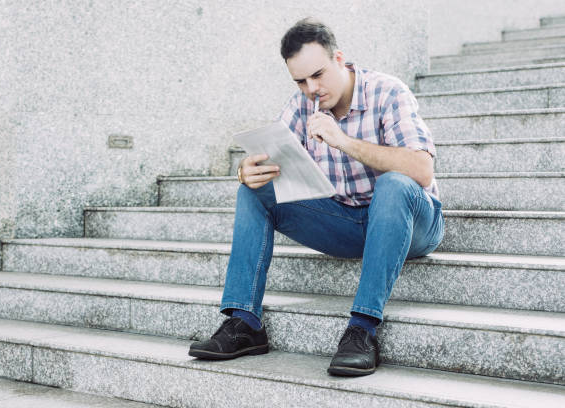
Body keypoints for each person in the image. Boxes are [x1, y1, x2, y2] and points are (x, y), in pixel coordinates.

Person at [188, 17, 444, 377]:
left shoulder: (389, 92)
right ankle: (244, 323)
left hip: (414, 223)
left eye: (318, 75)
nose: (311, 88)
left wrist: (344, 141)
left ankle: (362, 329)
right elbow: (271, 160)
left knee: (394, 183)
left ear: (339, 58)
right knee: (254, 191)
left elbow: (421, 170)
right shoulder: (302, 105)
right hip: (349, 221)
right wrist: (248, 171)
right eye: (300, 80)